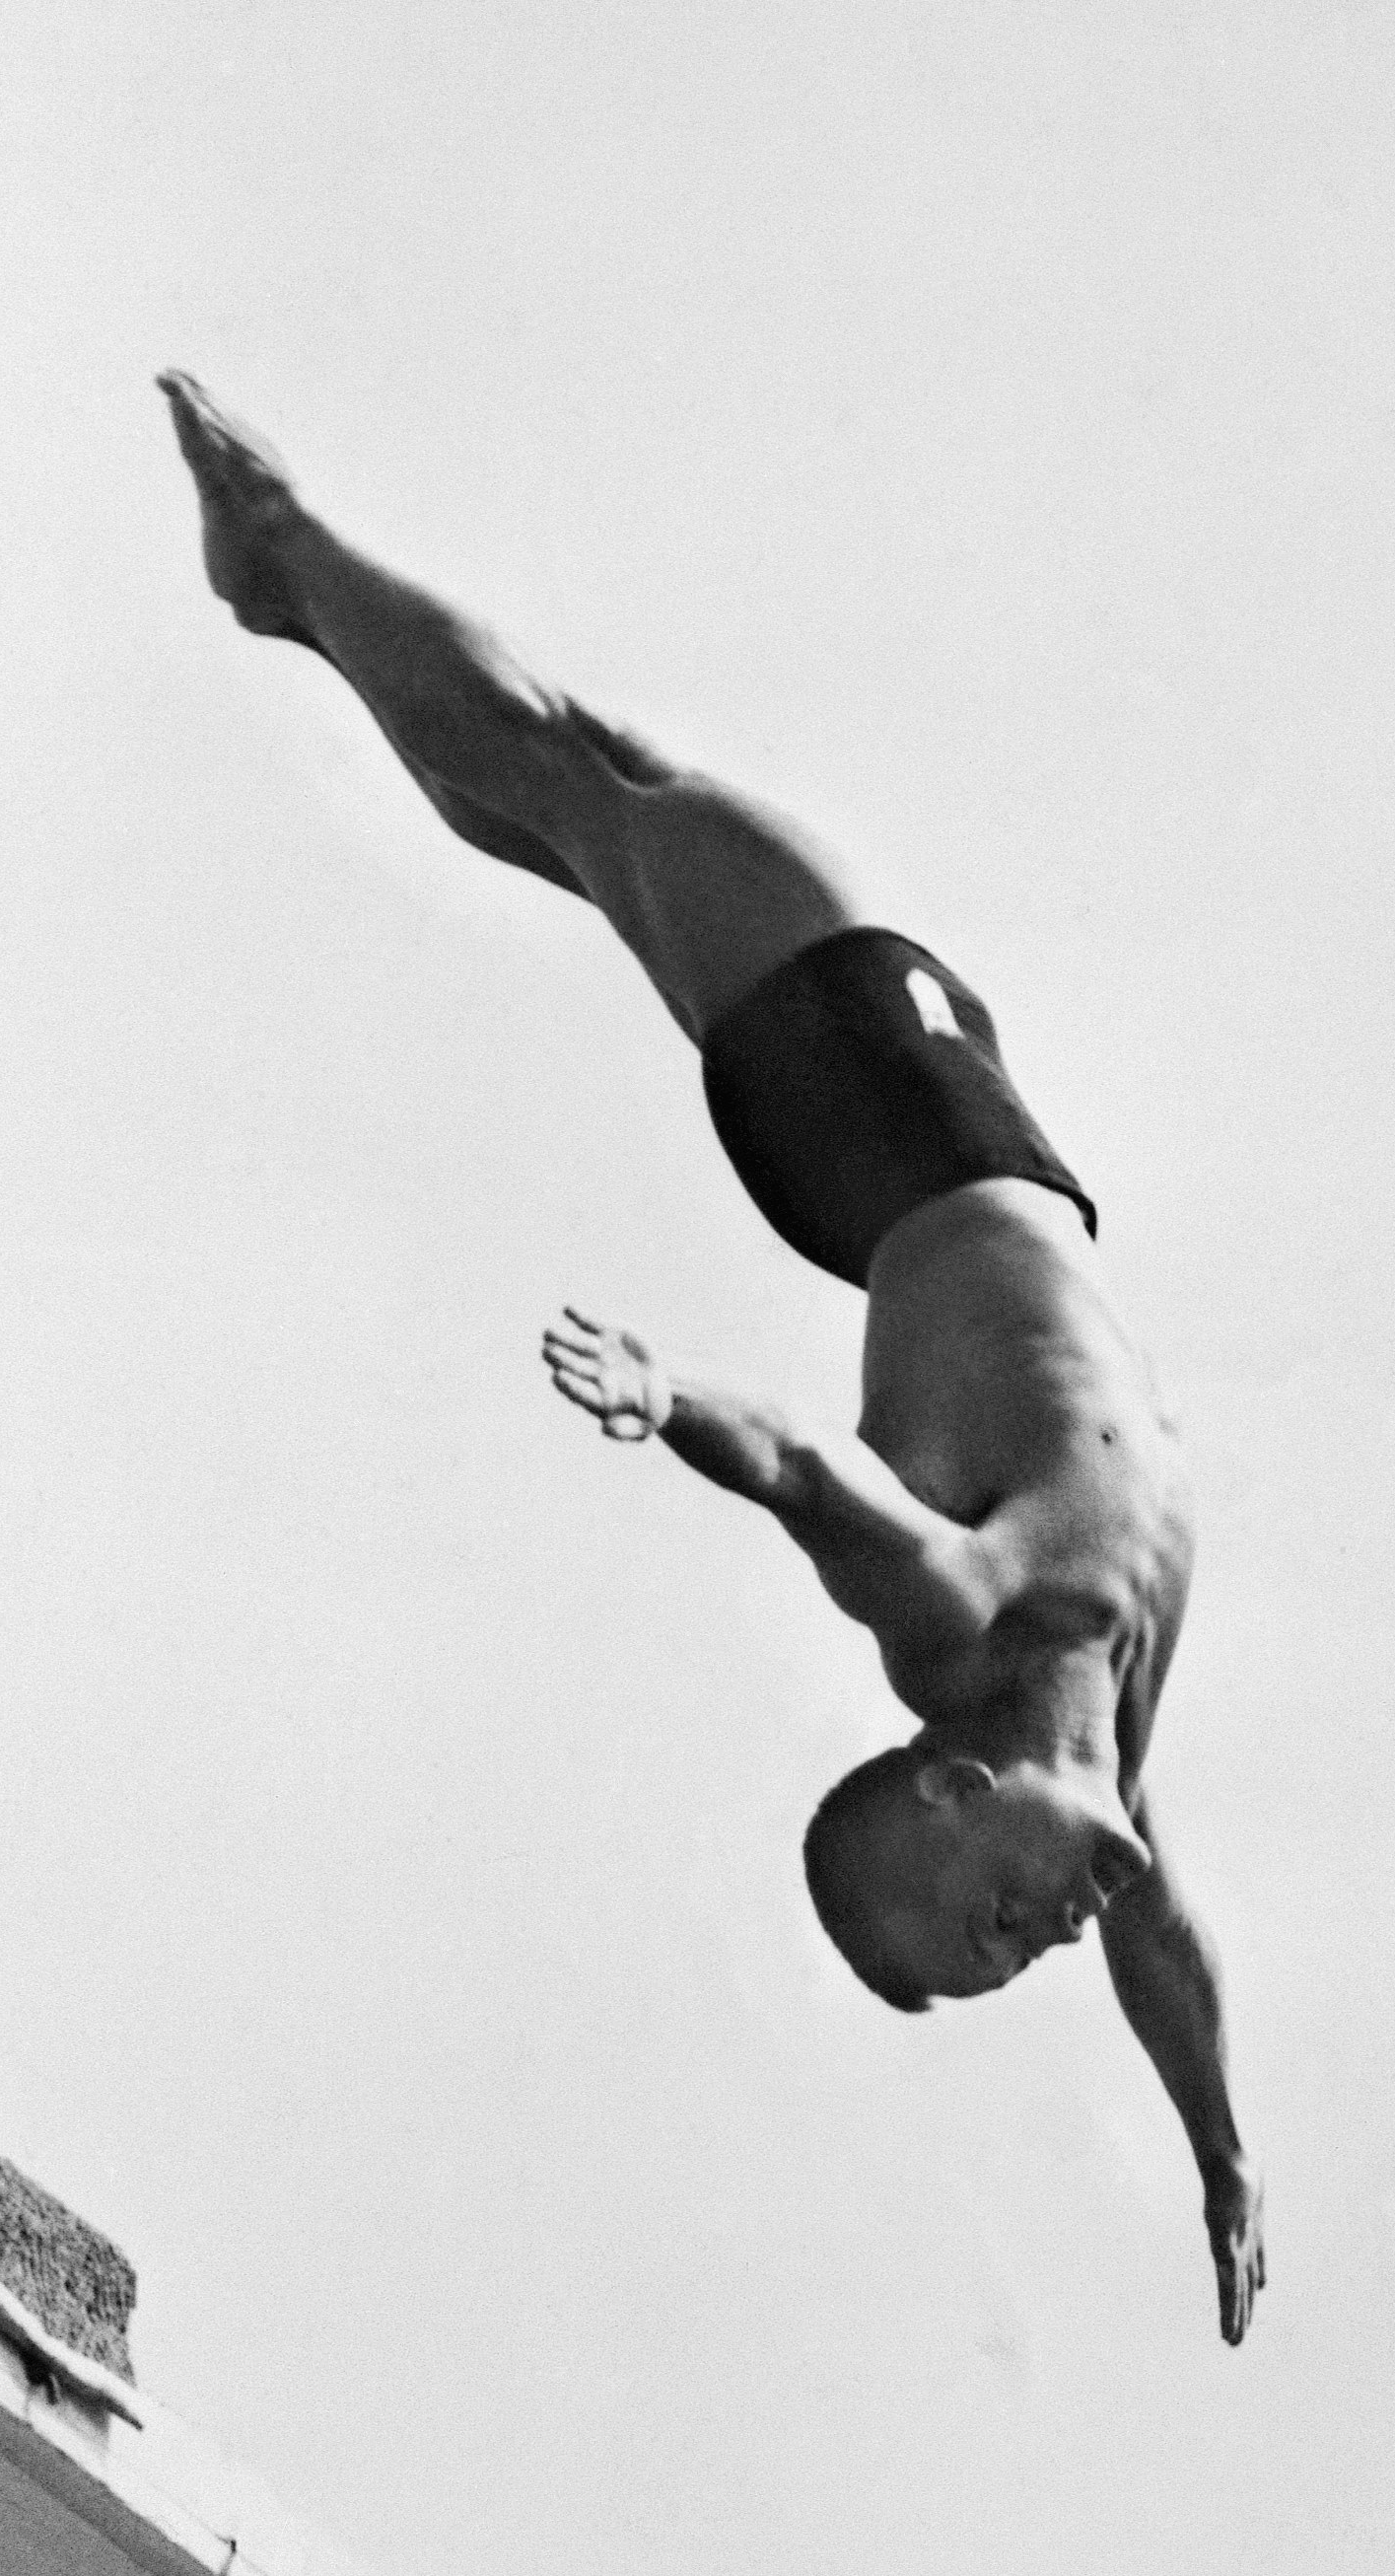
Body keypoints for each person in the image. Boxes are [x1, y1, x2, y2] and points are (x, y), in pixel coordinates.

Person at [160, 372, 1266, 2344]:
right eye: (1008, 1959)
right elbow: (1164, 1955)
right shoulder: (1112, 1741)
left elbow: (807, 1482)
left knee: (592, 775)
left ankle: (288, 560)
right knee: (589, 808)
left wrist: (669, 1399)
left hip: (874, 1118)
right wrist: (1224, 2158)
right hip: (945, 1135)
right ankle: (298, 595)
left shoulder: (967, 1621)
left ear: (941, 1791)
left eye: (974, 1908)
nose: (1026, 1941)